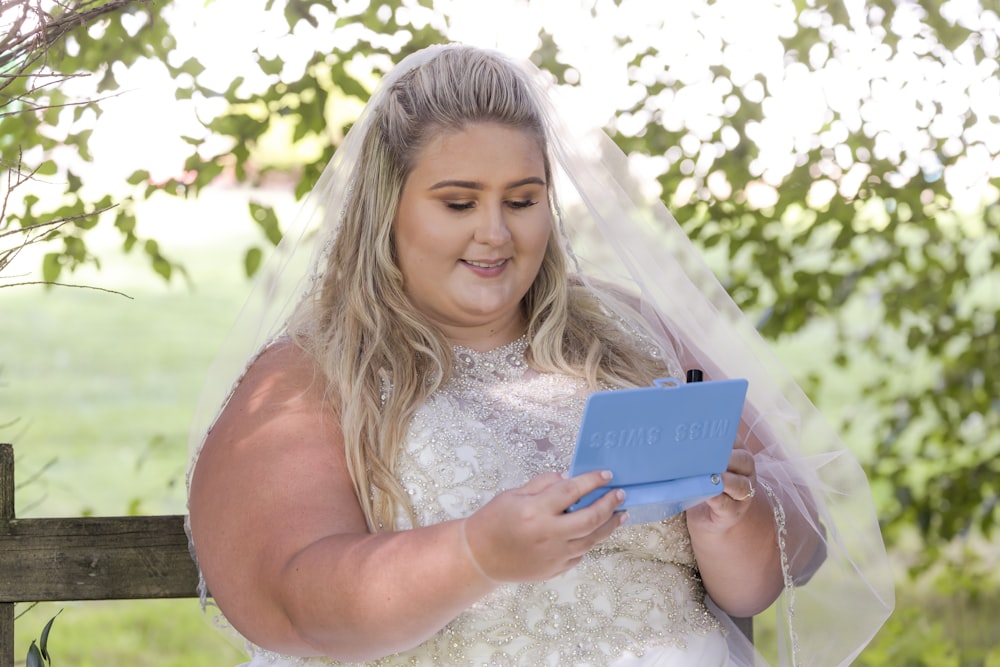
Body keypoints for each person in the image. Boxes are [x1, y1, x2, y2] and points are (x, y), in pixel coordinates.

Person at [186, 44, 893, 666]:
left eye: (521, 200)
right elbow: (287, 601)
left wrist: (729, 518)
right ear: (387, 207)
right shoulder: (309, 375)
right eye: (458, 204)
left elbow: (773, 571)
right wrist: (475, 554)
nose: (495, 234)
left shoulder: (628, 330)